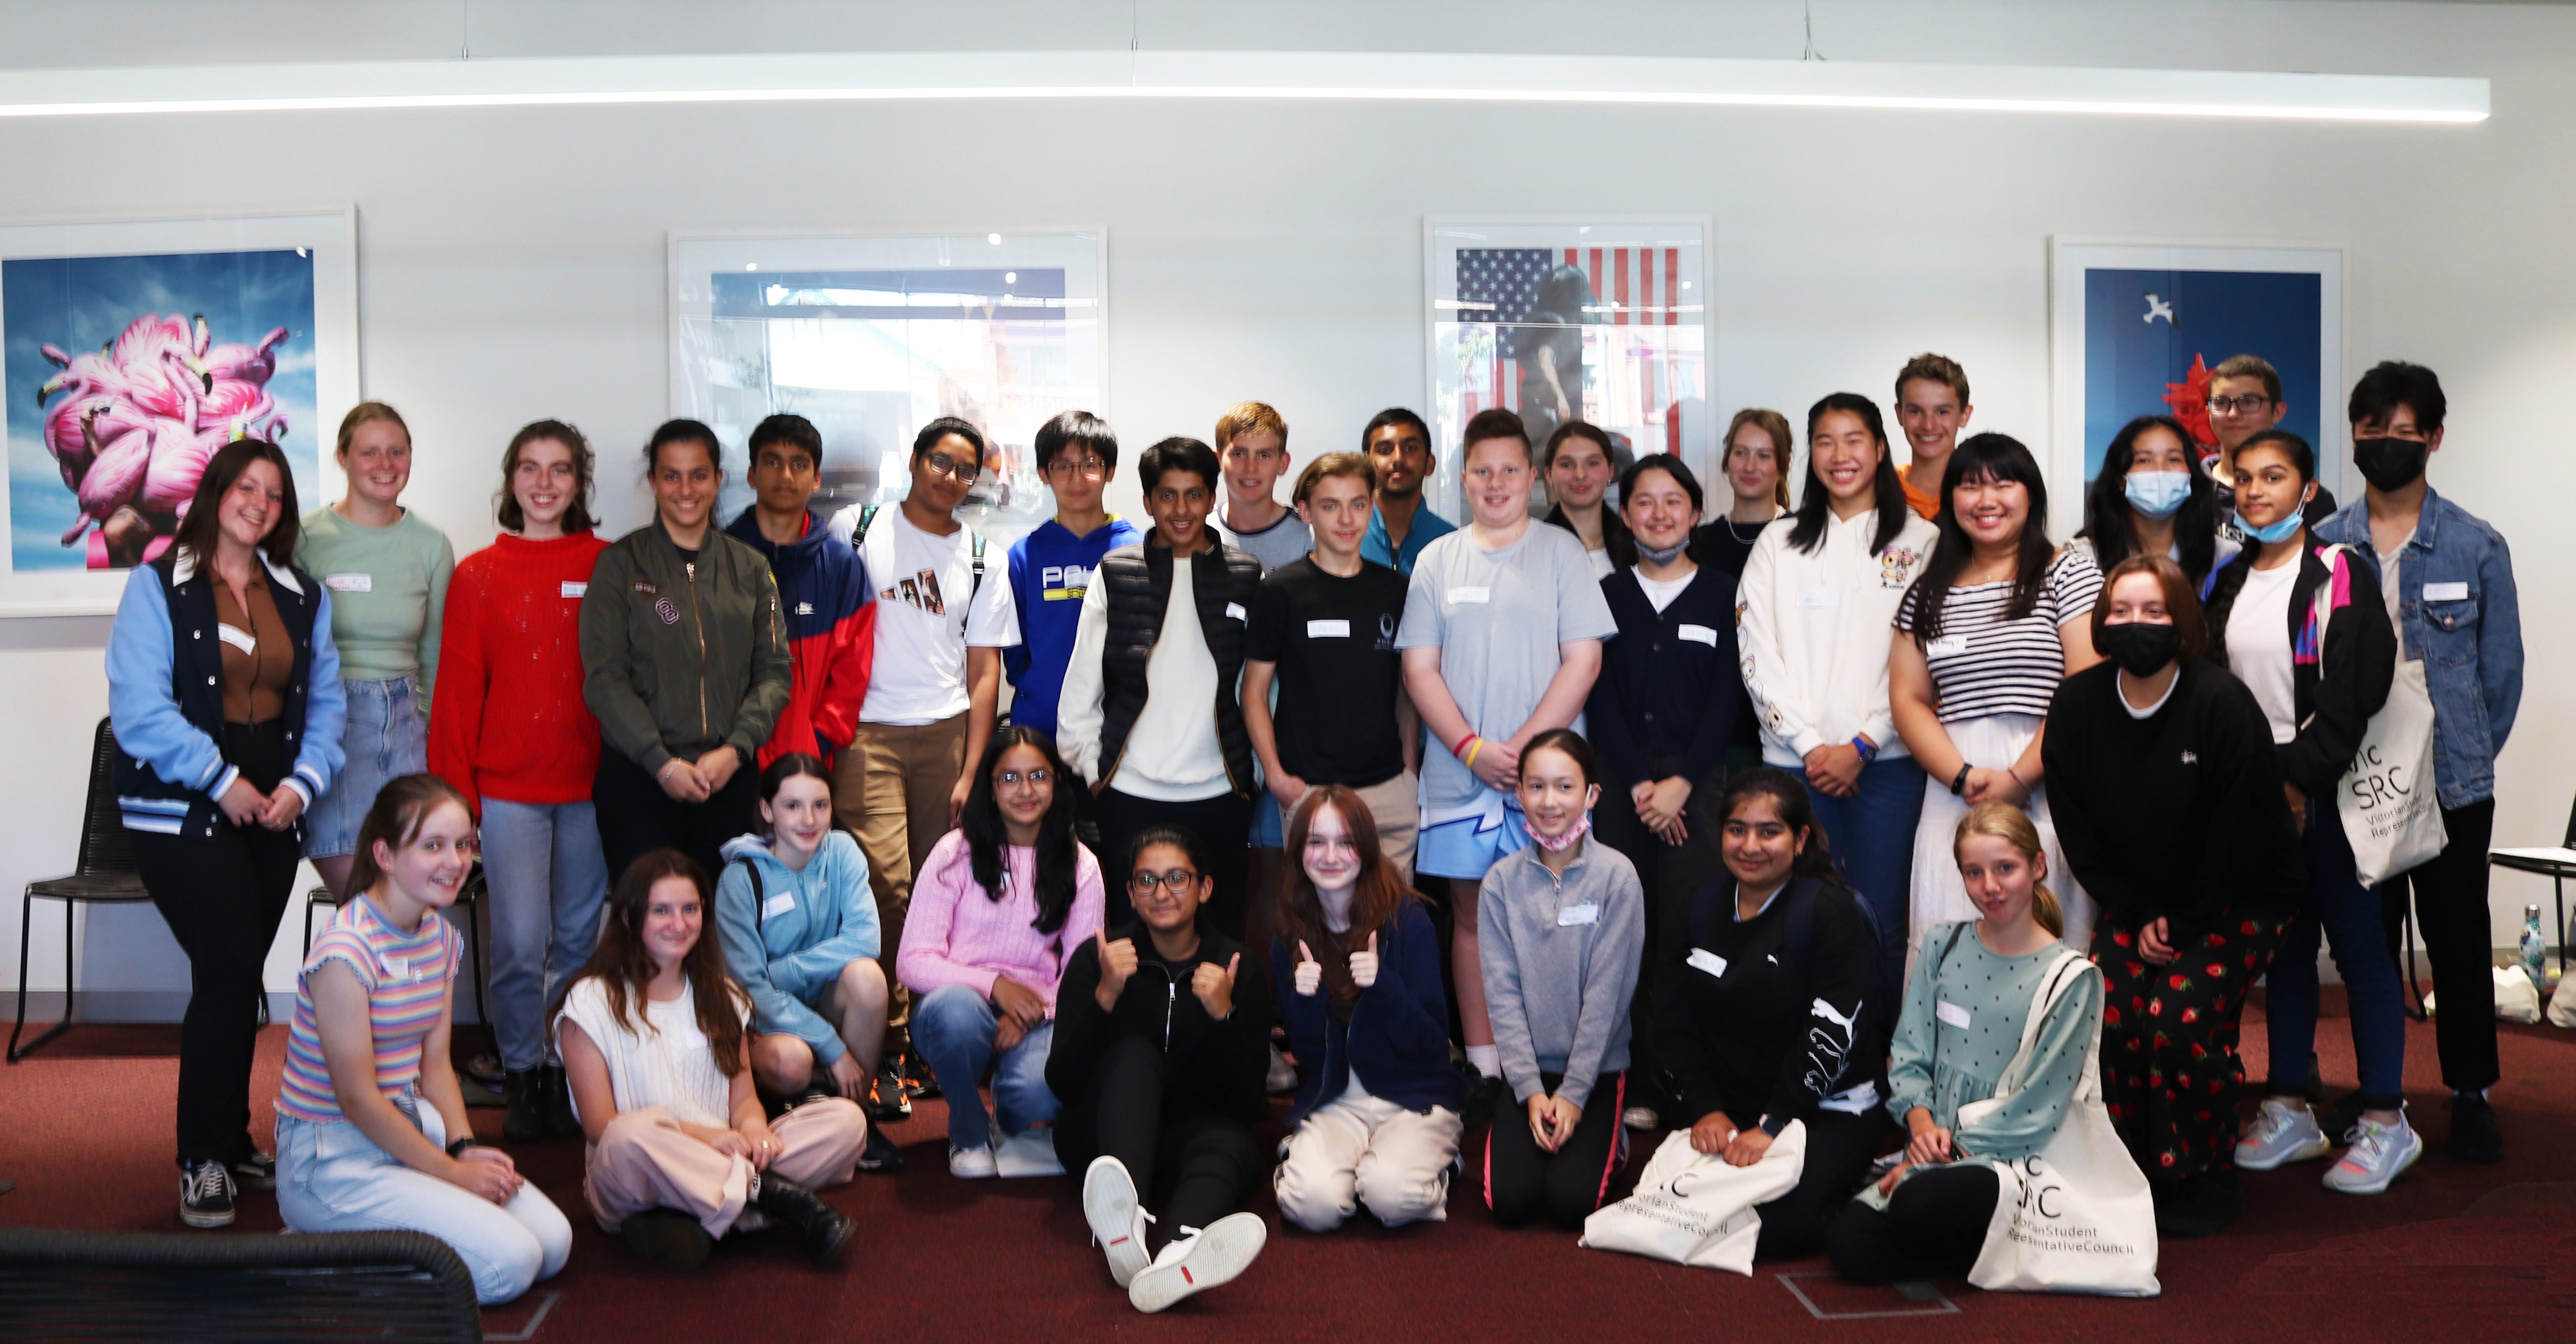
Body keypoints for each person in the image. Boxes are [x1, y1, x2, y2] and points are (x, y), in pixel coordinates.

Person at [108, 437, 347, 1228]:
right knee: (230, 967)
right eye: (247, 487)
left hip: (274, 812)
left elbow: (326, 706)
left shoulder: (303, 595)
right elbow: (139, 712)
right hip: (184, 808)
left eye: (275, 495)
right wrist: (224, 783)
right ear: (215, 491)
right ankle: (201, 1159)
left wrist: (300, 786)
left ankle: (228, 1137)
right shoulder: (156, 587)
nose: (260, 504)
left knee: (239, 978)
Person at [2042, 556, 2303, 1235]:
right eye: (2121, 611)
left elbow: (2241, 834)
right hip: (2137, 904)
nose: (2136, 624)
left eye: (2153, 612)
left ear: (2182, 621)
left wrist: (2185, 922)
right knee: (2118, 1017)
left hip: (2239, 898)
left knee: (2182, 1020)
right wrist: (2135, 914)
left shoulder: (2220, 702)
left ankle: (2205, 1174)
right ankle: (2133, 1169)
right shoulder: (2076, 706)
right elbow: (2077, 828)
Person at [2315, 361, 2523, 1163]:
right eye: (2373, 430)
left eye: (2405, 431)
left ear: (2434, 439)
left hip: (2451, 784)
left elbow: (2498, 674)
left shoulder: (2476, 546)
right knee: (2364, 942)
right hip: (2355, 780)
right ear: (2355, 437)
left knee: (2459, 941)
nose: (2388, 444)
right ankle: (2379, 1096)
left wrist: (2460, 755)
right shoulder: (2325, 546)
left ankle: (2470, 1094)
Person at [2203, 429, 2413, 1194]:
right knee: (2283, 955)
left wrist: (2298, 783)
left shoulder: (2338, 569)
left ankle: (2388, 1120)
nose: (2257, 490)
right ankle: (2290, 1106)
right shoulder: (2224, 580)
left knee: (2359, 952)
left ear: (2308, 486)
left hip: (2325, 797)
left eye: (2274, 476)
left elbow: (2355, 689)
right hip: (2254, 799)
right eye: (2246, 478)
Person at [272, 775, 571, 1304]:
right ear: (384, 854)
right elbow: (357, 1098)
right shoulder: (345, 950)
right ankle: (318, 1249)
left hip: (407, 1130)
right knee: (510, 1266)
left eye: (463, 844)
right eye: (432, 845)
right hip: (332, 1158)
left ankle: (369, 1235)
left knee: (553, 1243)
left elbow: (434, 1067)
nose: (455, 861)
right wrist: (453, 1175)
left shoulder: (439, 935)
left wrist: (465, 1147)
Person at [1398, 409, 1617, 1111]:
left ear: (1533, 477)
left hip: (1545, 777)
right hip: (1462, 772)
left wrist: (1524, 756)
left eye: (1510, 470)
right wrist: (1469, 746)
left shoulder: (1562, 554)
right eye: (1482, 471)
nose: (1496, 483)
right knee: (1470, 916)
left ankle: (1559, 1061)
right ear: (1463, 480)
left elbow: (1583, 660)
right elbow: (1419, 668)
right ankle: (1488, 1067)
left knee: (1556, 911)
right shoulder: (1438, 561)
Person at [1825, 802, 2106, 1284]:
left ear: (2037, 867)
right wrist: (1920, 1128)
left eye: (2005, 868)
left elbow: (2037, 1106)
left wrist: (1944, 1155)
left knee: (1916, 1203)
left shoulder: (2071, 976)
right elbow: (1911, 1055)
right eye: (1973, 872)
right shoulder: (1942, 944)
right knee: (1847, 1240)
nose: (1990, 887)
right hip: (1932, 1142)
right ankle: (1993, 1250)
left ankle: (1995, 1234)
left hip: (2011, 1153)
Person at [429, 420, 612, 1144]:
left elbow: (666, 620)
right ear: (511, 481)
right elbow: (455, 696)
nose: (544, 484)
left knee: (577, 940)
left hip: (593, 787)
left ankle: (565, 1064)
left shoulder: (615, 565)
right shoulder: (477, 575)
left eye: (560, 470)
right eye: (530, 469)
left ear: (579, 483)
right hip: (506, 792)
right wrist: (455, 804)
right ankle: (522, 1069)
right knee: (516, 941)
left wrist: (677, 603)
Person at [828, 417, 1022, 1087]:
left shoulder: (981, 556)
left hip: (946, 733)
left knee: (946, 888)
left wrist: (973, 770)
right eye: (940, 461)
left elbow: (985, 674)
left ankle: (939, 1029)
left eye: (965, 470)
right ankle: (892, 1034)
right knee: (889, 885)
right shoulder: (857, 529)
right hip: (867, 734)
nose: (950, 477)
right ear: (913, 460)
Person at [559, 848, 860, 1269]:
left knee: (847, 1122)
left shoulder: (724, 995)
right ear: (629, 917)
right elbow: (599, 1125)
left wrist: (755, 1129)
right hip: (637, 1169)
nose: (679, 924)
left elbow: (743, 1100)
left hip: (724, 1155)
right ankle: (775, 1200)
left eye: (690, 909)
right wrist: (706, 1138)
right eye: (661, 911)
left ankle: (702, 1209)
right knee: (627, 1136)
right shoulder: (588, 1001)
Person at [1736, 393, 1938, 997]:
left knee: (1884, 918)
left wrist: (1865, 742)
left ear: (1880, 450)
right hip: (1794, 769)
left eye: (1854, 440)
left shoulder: (1922, 540)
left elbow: (1924, 657)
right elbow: (1754, 649)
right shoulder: (1778, 541)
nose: (1840, 455)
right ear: (1808, 455)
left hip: (1890, 767)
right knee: (1796, 915)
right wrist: (1810, 745)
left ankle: (1875, 1064)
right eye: (1825, 441)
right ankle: (1801, 1063)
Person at [1653, 768, 1888, 1260]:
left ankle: (1863, 1192)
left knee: (1767, 1229)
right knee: (1679, 1209)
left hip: (1827, 1109)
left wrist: (1775, 1121)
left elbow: (1832, 1033)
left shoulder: (1827, 911)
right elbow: (1672, 1020)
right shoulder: (1694, 906)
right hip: (1734, 1107)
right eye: (1737, 829)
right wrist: (1704, 1107)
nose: (1750, 845)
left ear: (1800, 838)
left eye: (1769, 831)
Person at [1890, 432, 2103, 962]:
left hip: (2048, 775)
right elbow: (1908, 698)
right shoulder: (1926, 590)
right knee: (1949, 937)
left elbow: (2083, 691)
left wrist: (2016, 779)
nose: (1986, 500)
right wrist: (1964, 778)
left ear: (2030, 494)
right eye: (1969, 485)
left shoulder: (2068, 571)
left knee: (2049, 940)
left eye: (2002, 483)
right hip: (1953, 785)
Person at [1055, 826, 1273, 1313]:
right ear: (1130, 894)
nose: (1161, 892)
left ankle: (1175, 1252)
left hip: (1189, 1138)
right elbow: (1063, 1082)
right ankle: (1124, 1222)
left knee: (1234, 1144)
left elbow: (1247, 1100)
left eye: (1176, 877)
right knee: (1134, 1054)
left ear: (1205, 887)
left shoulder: (1237, 966)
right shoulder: (1098, 957)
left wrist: (1225, 1015)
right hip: (1104, 1142)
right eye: (1146, 880)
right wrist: (1105, 995)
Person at [1058, 437, 1265, 939]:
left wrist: (1254, 771)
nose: (1180, 509)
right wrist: (1095, 771)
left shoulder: (1245, 575)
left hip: (1222, 790)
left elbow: (1261, 687)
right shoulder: (1116, 572)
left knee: (1218, 935)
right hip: (1130, 791)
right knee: (1133, 935)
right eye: (1166, 495)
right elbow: (1081, 686)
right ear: (1147, 502)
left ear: (1211, 499)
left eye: (1194, 495)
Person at [1585, 454, 1738, 1130]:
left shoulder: (1723, 592)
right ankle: (1640, 1080)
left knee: (1694, 931)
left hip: (1701, 790)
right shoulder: (1608, 596)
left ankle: (1695, 1079)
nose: (1658, 514)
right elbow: (1600, 698)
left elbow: (1728, 699)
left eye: (1673, 501)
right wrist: (1644, 786)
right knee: (1629, 934)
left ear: (1696, 511)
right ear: (1625, 516)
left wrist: (1680, 785)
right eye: (1643, 502)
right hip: (1620, 789)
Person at [581, 418, 792, 884]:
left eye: (699, 474)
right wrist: (661, 763)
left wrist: (735, 751)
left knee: (723, 927)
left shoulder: (751, 569)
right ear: (653, 481)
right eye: (671, 475)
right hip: (639, 782)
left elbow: (776, 672)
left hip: (728, 781)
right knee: (648, 929)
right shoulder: (620, 565)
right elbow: (605, 679)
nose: (686, 489)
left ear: (718, 480)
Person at [899, 727, 1107, 1178]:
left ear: (1056, 782)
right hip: (957, 1007)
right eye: (1009, 778)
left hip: (1036, 1013)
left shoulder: (1082, 866)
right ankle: (968, 1131)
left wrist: (1030, 1012)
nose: (1026, 790)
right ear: (990, 789)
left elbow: (1081, 971)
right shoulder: (955, 853)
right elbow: (912, 961)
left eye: (1038, 775)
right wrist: (995, 987)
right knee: (956, 1013)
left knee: (1041, 1093)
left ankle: (1009, 1123)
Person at [1269, 786, 1461, 1232]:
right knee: (1312, 1208)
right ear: (1299, 851)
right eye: (1317, 842)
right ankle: (1320, 1164)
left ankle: (1437, 1166)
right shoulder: (1291, 933)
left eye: (1346, 842)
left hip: (1413, 1097)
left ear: (1367, 850)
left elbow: (1433, 1047)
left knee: (1392, 1198)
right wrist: (1304, 1000)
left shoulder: (1408, 920)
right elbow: (1309, 1057)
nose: (1331, 856)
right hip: (1337, 1100)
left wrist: (1384, 986)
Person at [1478, 730, 1646, 1231]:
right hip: (1527, 1075)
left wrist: (1573, 1093)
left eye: (1565, 786)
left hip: (1594, 1074)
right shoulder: (1500, 883)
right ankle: (1538, 1115)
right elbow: (1502, 995)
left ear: (1591, 794)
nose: (1549, 801)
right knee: (1509, 1202)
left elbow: (1607, 996)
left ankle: (1610, 1136)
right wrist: (1529, 1088)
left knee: (1572, 1204)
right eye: (1536, 786)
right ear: (1519, 794)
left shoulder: (1617, 877)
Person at [711, 755, 901, 1173]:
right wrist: (830, 1046)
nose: (809, 819)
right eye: (792, 805)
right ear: (767, 811)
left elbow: (865, 940)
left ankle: (856, 1120)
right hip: (767, 1022)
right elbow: (753, 992)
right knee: (793, 1062)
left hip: (824, 999)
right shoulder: (741, 880)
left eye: (820, 805)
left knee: (869, 979)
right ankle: (783, 1110)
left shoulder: (843, 852)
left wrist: (785, 971)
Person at [296, 403, 453, 900]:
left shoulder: (431, 545)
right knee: (363, 899)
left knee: (408, 891)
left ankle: (401, 980)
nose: (385, 463)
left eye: (397, 451)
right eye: (369, 452)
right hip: (334, 724)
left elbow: (434, 650)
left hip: (406, 723)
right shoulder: (305, 540)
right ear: (343, 458)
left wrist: (423, 724)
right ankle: (360, 978)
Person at [1242, 452, 1422, 880]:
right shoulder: (1280, 591)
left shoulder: (1397, 590)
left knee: (1393, 926)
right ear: (1305, 512)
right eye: (1330, 506)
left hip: (1389, 791)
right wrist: (1276, 776)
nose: (1346, 519)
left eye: (1358, 504)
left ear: (1372, 507)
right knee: (1318, 928)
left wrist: (1410, 770)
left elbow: (1406, 691)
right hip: (1310, 793)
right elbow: (1253, 693)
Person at [723, 413, 875, 767]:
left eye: (799, 464)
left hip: (809, 763)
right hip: (727, 762)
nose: (786, 476)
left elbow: (852, 672)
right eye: (772, 462)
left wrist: (818, 742)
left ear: (817, 479)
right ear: (752, 474)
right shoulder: (718, 558)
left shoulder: (841, 565)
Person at [1005, 411, 1138, 744]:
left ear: (1109, 471)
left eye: (1090, 464)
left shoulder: (1138, 550)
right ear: (1043, 474)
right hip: (1039, 728)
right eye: (1063, 466)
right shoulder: (1023, 555)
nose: (1077, 479)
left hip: (1119, 728)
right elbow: (1015, 652)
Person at [2079, 414, 2238, 590]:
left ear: (2191, 475)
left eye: (2174, 459)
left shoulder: (2225, 557)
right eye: (2144, 460)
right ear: (2120, 479)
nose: (2161, 471)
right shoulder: (2085, 557)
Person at [2206, 354, 2339, 537]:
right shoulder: (2188, 491)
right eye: (2221, 403)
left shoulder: (2310, 498)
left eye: (2249, 402)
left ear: (2277, 412)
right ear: (2209, 412)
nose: (2233, 414)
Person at [1689, 407, 1793, 578]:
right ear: (1727, 457)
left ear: (1785, 464)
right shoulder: (1699, 542)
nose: (1750, 467)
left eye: (1764, 456)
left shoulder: (1801, 537)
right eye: (1741, 453)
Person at [1212, 401, 1311, 573]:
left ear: (1282, 463)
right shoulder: (1199, 531)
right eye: (1239, 454)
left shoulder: (1309, 539)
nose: (1251, 468)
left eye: (1264, 455)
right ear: (1219, 459)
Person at [1358, 408, 1458, 576]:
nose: (1398, 459)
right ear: (1366, 466)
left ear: (1429, 464)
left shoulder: (1451, 543)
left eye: (1410, 448)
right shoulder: (1345, 537)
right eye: (1385, 451)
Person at [1541, 421, 1635, 579]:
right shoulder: (1535, 548)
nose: (1580, 475)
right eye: (1566, 464)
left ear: (1611, 472)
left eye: (1592, 463)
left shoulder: (1637, 545)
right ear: (1549, 474)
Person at [1515, 266, 1593, 456]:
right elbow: (1546, 363)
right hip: (1548, 402)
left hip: (1570, 401)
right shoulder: (1553, 327)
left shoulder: (1575, 331)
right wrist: (1561, 399)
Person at [1892, 354, 1974, 520]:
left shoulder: (1981, 492)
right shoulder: (1882, 490)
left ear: (1964, 415)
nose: (1928, 425)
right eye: (1916, 411)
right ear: (1900, 414)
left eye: (1942, 412)